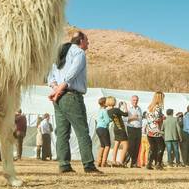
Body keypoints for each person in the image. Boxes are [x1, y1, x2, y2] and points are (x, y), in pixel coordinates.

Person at [47, 29, 103, 175]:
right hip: (71, 95)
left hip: (58, 98)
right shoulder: (79, 53)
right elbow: (72, 74)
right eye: (87, 41)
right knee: (82, 131)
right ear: (81, 41)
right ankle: (88, 165)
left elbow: (50, 76)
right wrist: (59, 89)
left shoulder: (60, 53)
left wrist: (55, 90)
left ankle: (64, 165)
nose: (88, 43)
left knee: (63, 133)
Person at [145, 92, 166, 170]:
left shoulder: (150, 107)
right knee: (162, 146)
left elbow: (148, 117)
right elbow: (157, 119)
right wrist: (162, 118)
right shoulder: (158, 107)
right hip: (156, 130)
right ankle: (158, 163)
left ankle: (149, 163)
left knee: (153, 147)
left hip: (149, 130)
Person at [109, 100, 130, 167]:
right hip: (121, 129)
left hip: (116, 128)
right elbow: (126, 114)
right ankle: (120, 161)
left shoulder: (108, 111)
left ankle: (113, 161)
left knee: (116, 145)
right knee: (126, 145)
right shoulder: (116, 110)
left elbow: (116, 114)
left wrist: (118, 107)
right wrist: (125, 106)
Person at [125, 95, 144, 168]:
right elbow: (124, 119)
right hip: (131, 128)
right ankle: (125, 161)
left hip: (138, 129)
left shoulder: (139, 109)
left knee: (137, 146)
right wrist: (132, 117)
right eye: (134, 100)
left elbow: (140, 119)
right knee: (131, 146)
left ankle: (134, 163)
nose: (135, 102)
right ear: (131, 100)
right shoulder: (128, 109)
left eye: (136, 100)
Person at [95, 97, 112, 168]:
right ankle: (104, 162)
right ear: (105, 103)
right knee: (107, 145)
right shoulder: (104, 111)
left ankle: (98, 162)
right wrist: (112, 119)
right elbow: (107, 120)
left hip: (98, 128)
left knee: (102, 145)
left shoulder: (99, 110)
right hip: (103, 128)